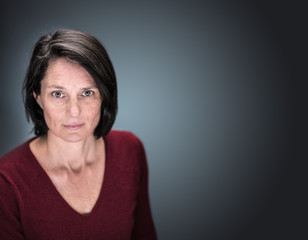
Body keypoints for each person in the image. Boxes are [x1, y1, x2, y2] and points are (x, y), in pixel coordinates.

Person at [0, 29, 157, 240]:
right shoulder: (6, 183)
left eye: (87, 93)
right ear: (38, 98)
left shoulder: (130, 150)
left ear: (104, 95)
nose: (74, 111)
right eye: (58, 94)